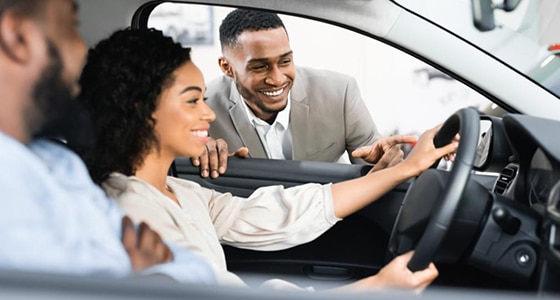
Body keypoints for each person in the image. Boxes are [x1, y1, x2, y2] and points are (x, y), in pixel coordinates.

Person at [77, 27, 457, 291]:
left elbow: (279, 212)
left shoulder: (180, 191)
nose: (208, 114)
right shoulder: (132, 215)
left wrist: (406, 168)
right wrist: (379, 287)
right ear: (142, 110)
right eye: (193, 101)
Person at [0, 0, 214, 284]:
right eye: (71, 29)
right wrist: (148, 282)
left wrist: (147, 278)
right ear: (18, 36)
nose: (81, 51)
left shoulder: (61, 165)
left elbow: (199, 273)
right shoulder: (11, 185)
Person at [197, 8, 415, 172]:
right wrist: (197, 155)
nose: (277, 79)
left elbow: (376, 168)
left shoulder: (339, 94)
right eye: (260, 67)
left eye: (285, 61)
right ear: (227, 67)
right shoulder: (200, 108)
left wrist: (385, 162)